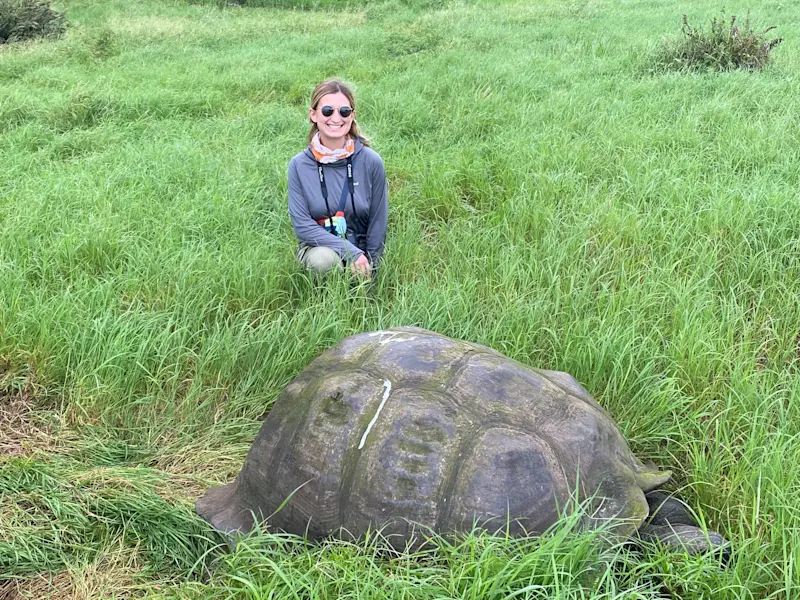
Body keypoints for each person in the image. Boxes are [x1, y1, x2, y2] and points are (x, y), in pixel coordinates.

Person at [288, 79, 388, 279]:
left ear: (352, 115)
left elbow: (378, 221)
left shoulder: (371, 161)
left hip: (361, 252)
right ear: (313, 114)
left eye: (344, 111)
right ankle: (323, 302)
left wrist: (370, 266)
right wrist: (351, 253)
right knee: (324, 260)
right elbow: (302, 226)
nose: (336, 118)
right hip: (320, 248)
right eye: (327, 111)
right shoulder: (299, 165)